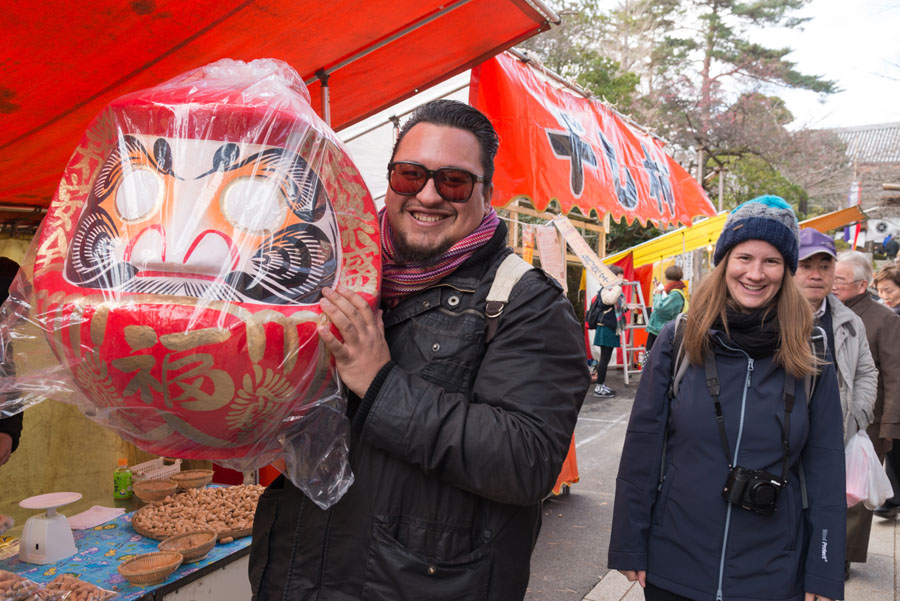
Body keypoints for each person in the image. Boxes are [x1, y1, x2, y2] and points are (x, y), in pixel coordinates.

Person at [248, 100, 589, 601]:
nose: (427, 195)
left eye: (453, 181)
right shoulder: (335, 272)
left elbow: (526, 460)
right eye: (411, 175)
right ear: (390, 179)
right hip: (299, 575)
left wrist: (381, 383)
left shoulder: (524, 302)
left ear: (486, 193)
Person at [608, 196, 846, 601]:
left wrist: (824, 571)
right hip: (675, 564)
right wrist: (629, 541)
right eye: (744, 257)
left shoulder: (812, 349)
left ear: (787, 271)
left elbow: (826, 469)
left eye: (771, 261)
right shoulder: (680, 339)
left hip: (772, 572)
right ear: (724, 262)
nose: (755, 273)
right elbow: (642, 451)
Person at [794, 228, 878, 580]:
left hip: (832, 439)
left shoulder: (849, 321)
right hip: (779, 441)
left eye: (824, 265)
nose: (816, 274)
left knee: (827, 514)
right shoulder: (770, 315)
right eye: (806, 265)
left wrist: (855, 417)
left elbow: (867, 372)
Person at [832, 252, 900, 547]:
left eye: (841, 281)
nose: (833, 285)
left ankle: (845, 554)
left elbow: (894, 374)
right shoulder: (827, 310)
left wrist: (889, 426)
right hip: (833, 414)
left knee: (856, 493)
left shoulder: (884, 319)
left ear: (862, 285)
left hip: (867, 420)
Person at [588, 264, 625, 398]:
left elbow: (615, 308)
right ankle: (599, 387)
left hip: (610, 327)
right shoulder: (607, 289)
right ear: (613, 276)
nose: (622, 277)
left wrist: (627, 308)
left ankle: (601, 384)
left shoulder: (613, 289)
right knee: (604, 358)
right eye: (620, 274)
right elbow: (609, 300)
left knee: (605, 358)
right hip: (605, 327)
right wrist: (618, 286)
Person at [645, 265, 686, 354]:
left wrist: (658, 294)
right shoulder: (674, 291)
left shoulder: (675, 294)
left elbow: (660, 308)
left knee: (655, 359)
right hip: (660, 330)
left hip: (662, 331)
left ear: (666, 277)